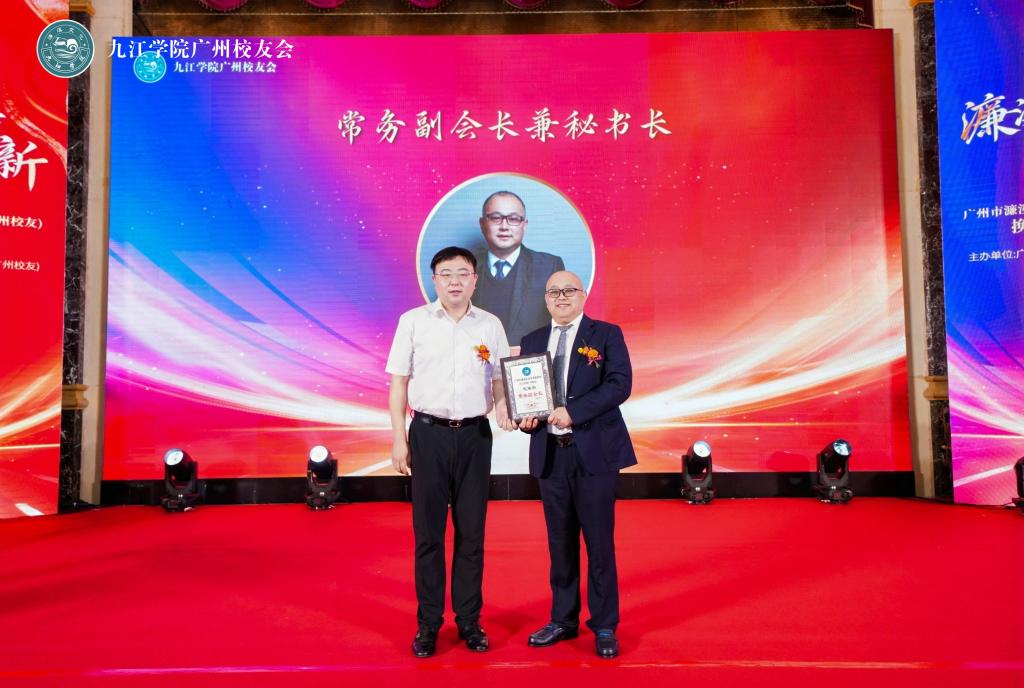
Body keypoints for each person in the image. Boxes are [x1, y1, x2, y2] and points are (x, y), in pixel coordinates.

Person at [386, 246, 512, 658]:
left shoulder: (490, 325)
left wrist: (504, 408)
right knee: (429, 536)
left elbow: (499, 379)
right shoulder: (413, 322)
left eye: (462, 273)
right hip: (428, 435)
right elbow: (398, 384)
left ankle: (469, 620)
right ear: (434, 279)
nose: (454, 281)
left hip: (475, 437)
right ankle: (428, 624)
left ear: (475, 279)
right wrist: (399, 438)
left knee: (472, 534)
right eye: (446, 274)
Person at [515, 270, 637, 659]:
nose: (562, 297)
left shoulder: (606, 334)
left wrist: (574, 412)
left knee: (599, 543)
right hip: (551, 454)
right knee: (560, 543)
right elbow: (527, 395)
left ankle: (604, 624)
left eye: (569, 290)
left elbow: (620, 384)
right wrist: (526, 418)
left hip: (594, 452)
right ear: (546, 299)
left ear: (583, 295)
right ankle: (563, 619)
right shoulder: (533, 340)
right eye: (554, 292)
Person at [473, 191, 565, 349]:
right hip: (476, 360)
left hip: (531, 361)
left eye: (513, 219)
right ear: (482, 224)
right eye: (495, 218)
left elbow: (564, 326)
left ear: (524, 225)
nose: (504, 227)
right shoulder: (465, 267)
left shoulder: (549, 266)